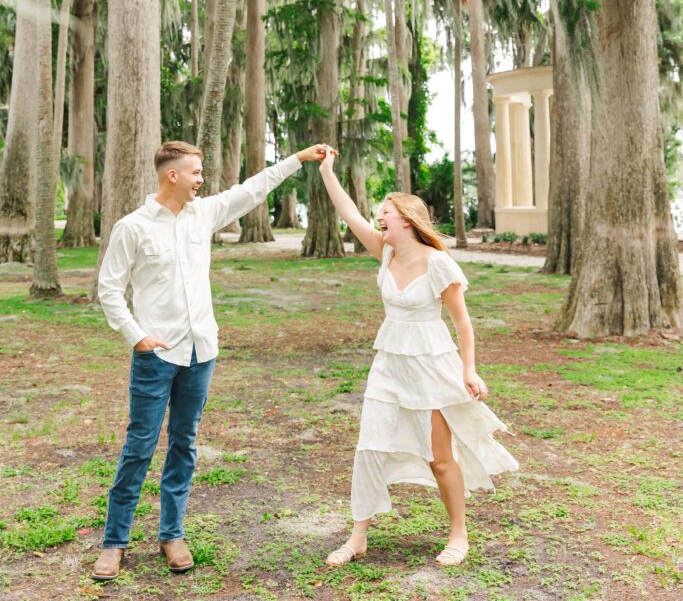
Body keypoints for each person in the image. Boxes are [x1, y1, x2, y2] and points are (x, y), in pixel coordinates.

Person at [92, 140, 326, 582]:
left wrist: (298, 159)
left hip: (202, 352)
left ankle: (172, 534)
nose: (203, 179)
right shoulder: (133, 227)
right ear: (172, 175)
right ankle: (114, 542)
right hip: (156, 355)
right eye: (196, 172)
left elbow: (252, 190)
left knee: (185, 443)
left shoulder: (206, 214)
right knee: (139, 447)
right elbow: (109, 289)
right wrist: (137, 336)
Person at [317, 145, 518, 568]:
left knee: (440, 457)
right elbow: (349, 213)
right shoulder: (385, 251)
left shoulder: (439, 263)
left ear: (405, 220)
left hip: (430, 365)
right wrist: (328, 172)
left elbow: (462, 323)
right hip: (389, 363)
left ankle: (458, 534)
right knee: (369, 448)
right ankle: (358, 536)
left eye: (385, 211)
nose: (378, 217)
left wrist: (469, 370)